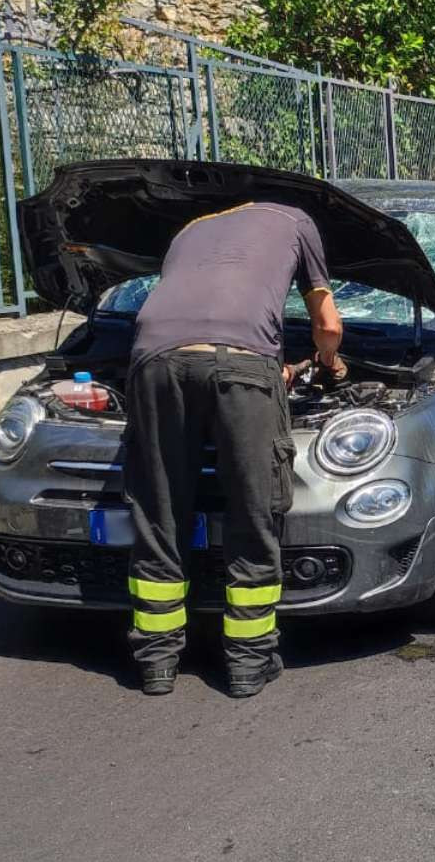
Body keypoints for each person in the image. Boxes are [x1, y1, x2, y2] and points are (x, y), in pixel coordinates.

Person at [124, 199, 345, 698]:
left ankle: (156, 662)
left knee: (159, 510)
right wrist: (329, 363)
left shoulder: (190, 228)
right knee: (254, 507)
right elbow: (328, 325)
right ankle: (248, 661)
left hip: (154, 359)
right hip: (243, 361)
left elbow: (193, 306)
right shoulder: (297, 220)